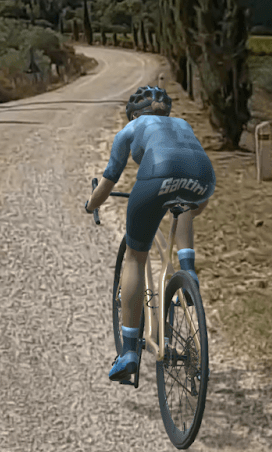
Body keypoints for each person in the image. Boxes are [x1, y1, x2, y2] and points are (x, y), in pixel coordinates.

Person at [83, 85, 215, 384]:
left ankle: (129, 352)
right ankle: (188, 269)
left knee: (134, 257)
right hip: (203, 179)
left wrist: (91, 205)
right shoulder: (182, 124)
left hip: (157, 177)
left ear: (133, 114)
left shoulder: (130, 129)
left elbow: (107, 183)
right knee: (184, 209)